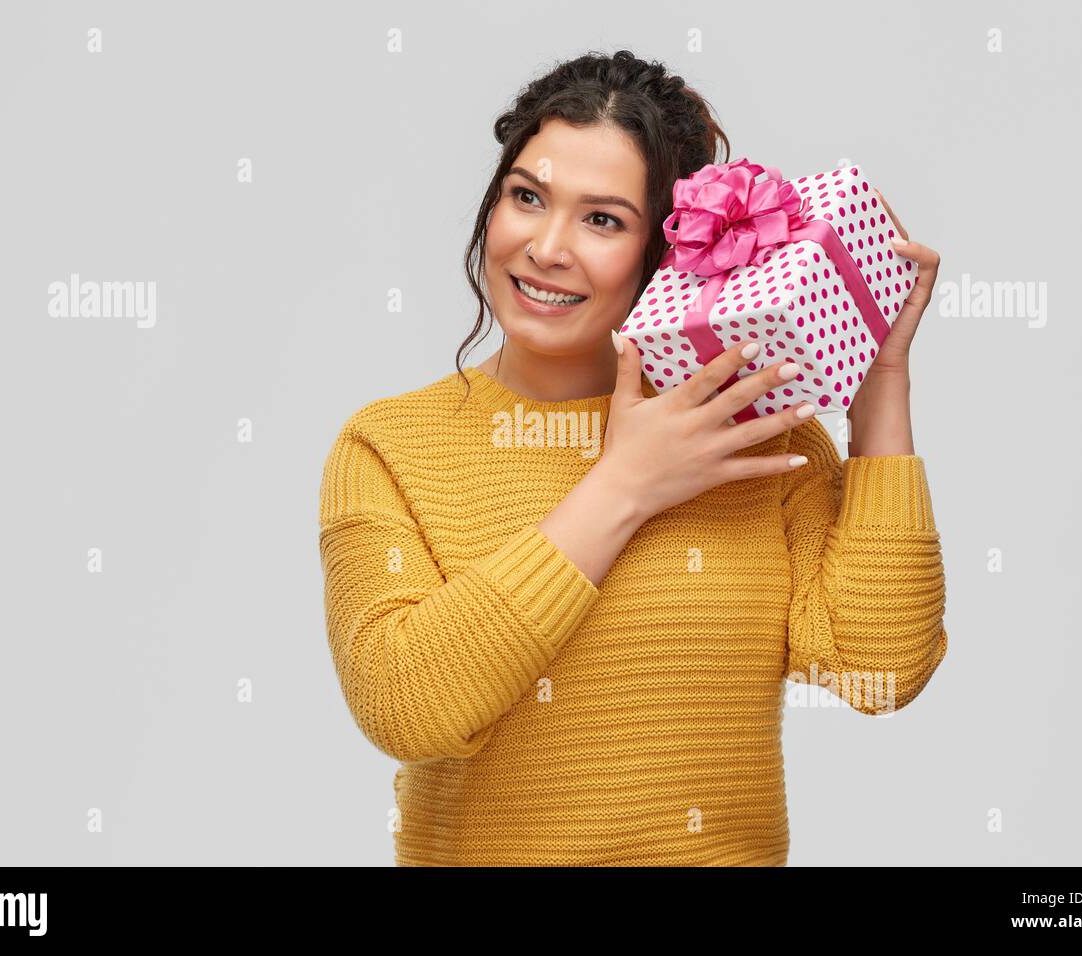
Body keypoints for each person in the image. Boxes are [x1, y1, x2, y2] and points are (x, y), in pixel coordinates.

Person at [317, 50, 947, 866]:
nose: (546, 247)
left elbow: (883, 669)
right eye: (527, 198)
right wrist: (623, 486)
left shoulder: (754, 436)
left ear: (665, 252)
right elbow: (405, 705)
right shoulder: (389, 445)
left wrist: (879, 381)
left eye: (602, 219)